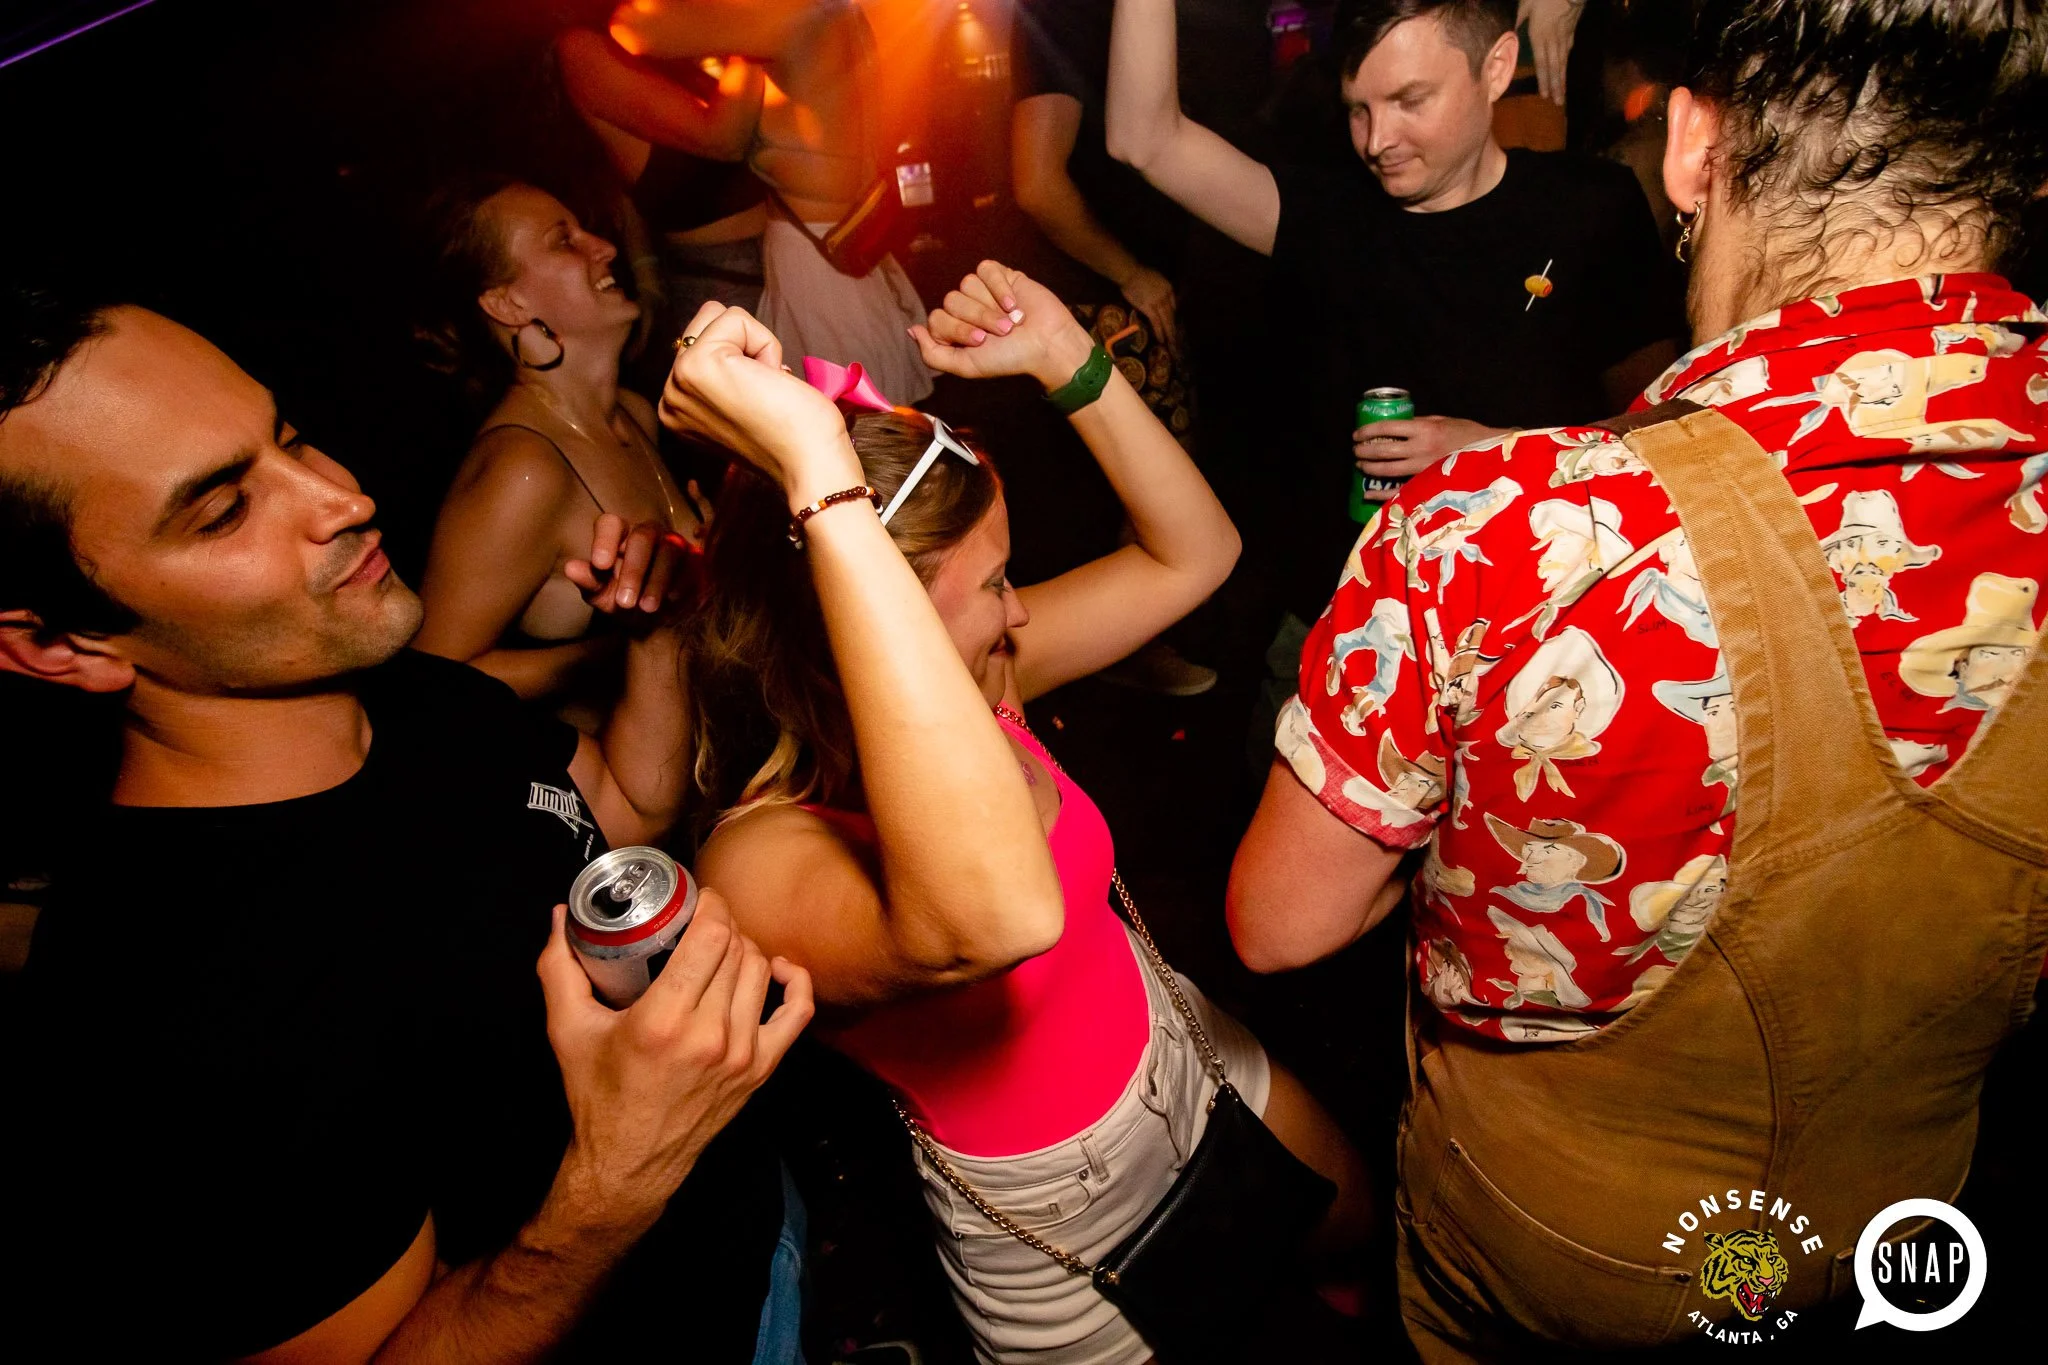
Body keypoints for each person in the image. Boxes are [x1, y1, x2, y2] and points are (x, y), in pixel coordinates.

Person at [1227, 0, 2048, 1354]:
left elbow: (1279, 922)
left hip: (1561, 1248)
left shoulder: (1497, 529)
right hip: (1900, 1224)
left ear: (1691, 143)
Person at [0, 285, 813, 1359]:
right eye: (224, 508)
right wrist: (613, 1183)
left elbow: (618, 810)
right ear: (60, 646)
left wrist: (658, 632)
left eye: (291, 436)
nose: (342, 497)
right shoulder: (158, 1015)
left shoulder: (408, 691)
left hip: (752, 1244)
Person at [667, 266, 1370, 1363]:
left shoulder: (985, 673)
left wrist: (1065, 361)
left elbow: (1196, 555)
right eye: (993, 582)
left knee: (1353, 1256)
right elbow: (1001, 915)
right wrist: (815, 470)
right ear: (879, 604)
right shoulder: (759, 857)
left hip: (1186, 1050)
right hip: (1057, 1230)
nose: (1019, 611)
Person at [1107, 0, 1681, 702]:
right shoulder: (1329, 215)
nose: (1379, 140)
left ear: (1496, 67)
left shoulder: (1590, 209)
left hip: (1536, 643)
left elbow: (1663, 432)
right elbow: (1143, 139)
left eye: (1411, 101)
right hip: (1345, 638)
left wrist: (1496, 453)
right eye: (1360, 109)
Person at [412, 176, 707, 713]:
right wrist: (624, 652)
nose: (606, 247)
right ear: (508, 303)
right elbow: (433, 678)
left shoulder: (636, 413)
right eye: (564, 241)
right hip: (601, 763)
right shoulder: (522, 468)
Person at [1010, 0, 1214, 696]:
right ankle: (1134, 646)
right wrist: (1129, 271)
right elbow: (1036, 183)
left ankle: (1134, 638)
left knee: (1149, 475)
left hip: (1136, 293)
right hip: (1108, 301)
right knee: (1147, 476)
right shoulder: (1061, 16)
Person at [609, 0, 934, 405]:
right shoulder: (839, 14)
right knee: (870, 423)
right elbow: (727, 132)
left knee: (837, 423)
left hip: (819, 267)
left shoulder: (786, 14)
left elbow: (632, 27)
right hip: (849, 250)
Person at [554, 17, 772, 383]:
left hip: (774, 251)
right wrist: (757, 31)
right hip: (724, 277)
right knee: (762, 407)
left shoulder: (658, 32)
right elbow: (722, 139)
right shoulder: (582, 47)